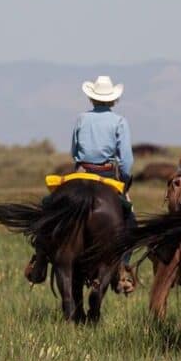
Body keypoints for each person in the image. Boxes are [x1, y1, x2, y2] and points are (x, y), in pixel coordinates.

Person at [25, 75, 138, 294]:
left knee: (47, 209)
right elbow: (127, 161)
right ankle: (123, 268)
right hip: (107, 174)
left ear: (92, 98)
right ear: (113, 99)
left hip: (80, 172)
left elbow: (74, 151)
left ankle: (40, 260)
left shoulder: (81, 119)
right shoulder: (119, 122)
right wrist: (123, 179)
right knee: (130, 219)